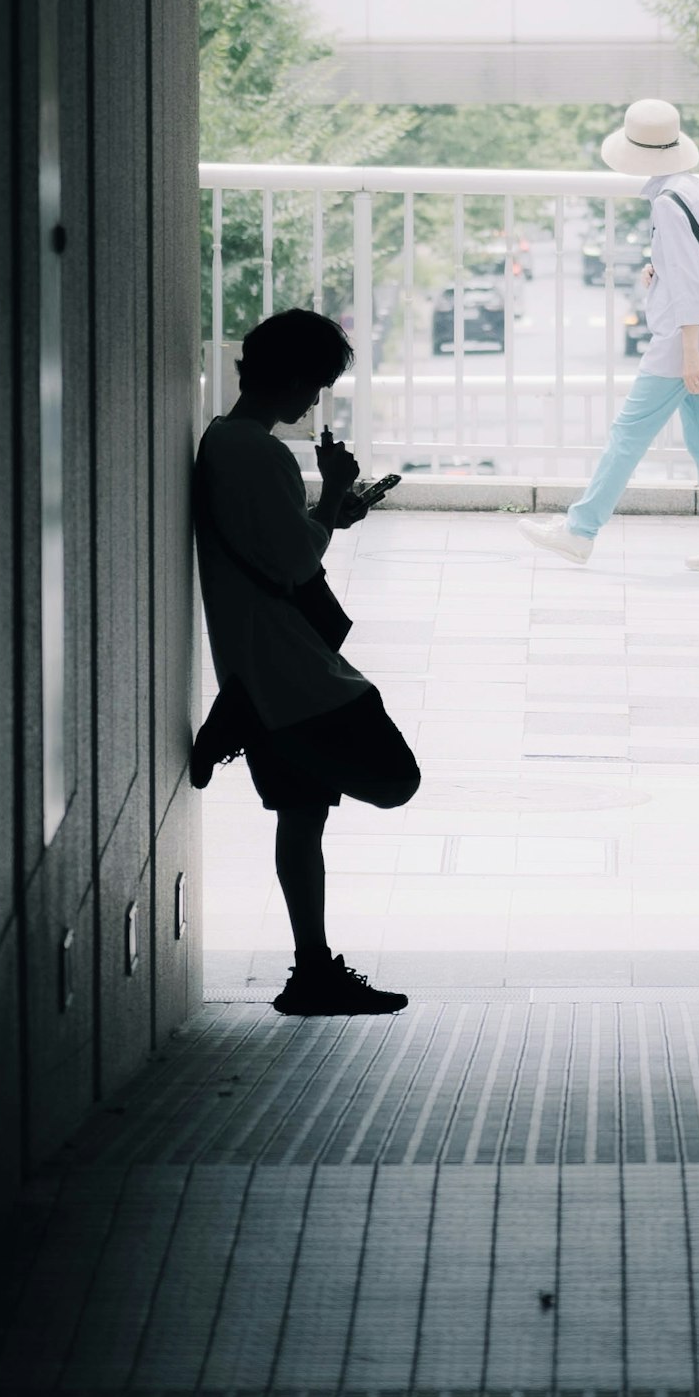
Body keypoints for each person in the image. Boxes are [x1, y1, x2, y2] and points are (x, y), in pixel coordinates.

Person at [188, 307, 421, 1016]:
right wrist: (327, 495)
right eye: (315, 385)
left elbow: (277, 543)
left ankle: (311, 968)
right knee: (394, 778)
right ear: (287, 376)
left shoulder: (222, 443)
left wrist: (328, 509)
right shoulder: (257, 452)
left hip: (256, 675)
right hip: (293, 673)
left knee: (303, 813)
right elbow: (293, 560)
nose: (314, 401)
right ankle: (238, 724)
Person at [521, 97, 699, 574]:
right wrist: (665, 276)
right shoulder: (695, 189)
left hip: (682, 340)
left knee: (627, 436)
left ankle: (579, 532)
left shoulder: (669, 204)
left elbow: (691, 283)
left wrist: (689, 352)